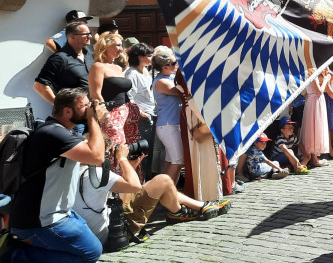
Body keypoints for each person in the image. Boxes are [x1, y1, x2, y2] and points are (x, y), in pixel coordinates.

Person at [10, 88, 107, 262]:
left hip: (58, 214)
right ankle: (20, 256)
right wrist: (94, 119)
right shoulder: (53, 133)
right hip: (39, 221)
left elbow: (91, 151)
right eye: (84, 106)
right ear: (67, 111)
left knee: (90, 248)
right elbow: (97, 157)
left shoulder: (61, 132)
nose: (89, 109)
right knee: (91, 252)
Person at [73, 140, 229, 246]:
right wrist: (122, 159)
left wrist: (131, 167)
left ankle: (200, 207)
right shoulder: (97, 174)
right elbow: (128, 193)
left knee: (158, 185)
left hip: (98, 227)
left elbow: (120, 194)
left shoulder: (76, 172)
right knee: (163, 180)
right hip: (115, 230)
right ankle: (180, 211)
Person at [89, 33, 143, 176]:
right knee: (116, 149)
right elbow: (95, 93)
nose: (121, 49)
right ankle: (118, 186)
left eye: (121, 45)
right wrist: (104, 113)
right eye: (118, 45)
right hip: (112, 114)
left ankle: (134, 186)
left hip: (128, 112)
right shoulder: (97, 67)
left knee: (132, 150)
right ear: (106, 46)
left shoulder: (118, 67)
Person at [34, 21, 95, 135]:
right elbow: (40, 85)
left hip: (91, 113)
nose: (90, 36)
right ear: (71, 36)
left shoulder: (89, 54)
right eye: (85, 34)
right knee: (74, 151)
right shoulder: (59, 58)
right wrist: (60, 105)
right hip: (72, 119)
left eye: (90, 33)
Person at [124, 43, 157, 179]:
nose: (151, 59)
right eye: (149, 56)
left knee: (150, 152)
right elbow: (129, 96)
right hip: (143, 118)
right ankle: (141, 183)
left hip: (152, 113)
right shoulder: (131, 73)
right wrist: (140, 113)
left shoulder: (146, 71)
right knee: (143, 152)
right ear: (139, 57)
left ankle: (147, 181)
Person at [152, 48, 183, 184]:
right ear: (165, 67)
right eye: (174, 63)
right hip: (168, 125)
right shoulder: (162, 81)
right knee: (177, 161)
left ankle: (169, 192)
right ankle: (166, 194)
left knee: (171, 160)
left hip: (171, 124)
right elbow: (180, 92)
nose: (177, 65)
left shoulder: (168, 77)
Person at [299, 70, 331, 168]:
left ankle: (314, 156)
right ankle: (314, 158)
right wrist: (326, 80)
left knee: (314, 128)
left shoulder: (307, 73)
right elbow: (319, 91)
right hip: (315, 102)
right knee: (315, 128)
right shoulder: (312, 74)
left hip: (312, 101)